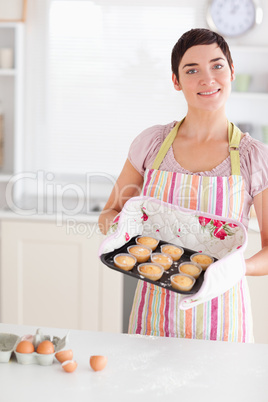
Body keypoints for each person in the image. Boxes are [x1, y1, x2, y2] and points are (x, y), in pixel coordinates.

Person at [98, 28, 268, 342]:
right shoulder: (152, 143)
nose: (208, 78)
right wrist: (122, 230)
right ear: (176, 81)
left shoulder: (254, 158)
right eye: (192, 70)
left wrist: (235, 270)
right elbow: (110, 213)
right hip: (153, 314)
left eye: (217, 66)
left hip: (223, 320)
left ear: (232, 72)